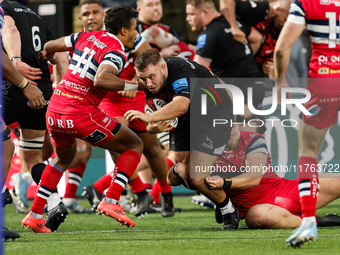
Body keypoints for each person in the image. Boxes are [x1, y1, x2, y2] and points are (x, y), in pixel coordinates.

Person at [21, 5, 146, 233]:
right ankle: (112, 199)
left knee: (62, 159)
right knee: (135, 144)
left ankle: (35, 214)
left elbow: (50, 46)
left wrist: (48, 55)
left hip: (55, 110)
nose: (137, 35)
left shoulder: (84, 36)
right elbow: (102, 80)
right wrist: (137, 85)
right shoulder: (116, 51)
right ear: (125, 30)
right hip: (79, 112)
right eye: (135, 30)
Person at [79, 0, 176, 218]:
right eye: (87, 14)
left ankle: (165, 195)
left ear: (104, 17)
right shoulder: (83, 39)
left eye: (96, 13)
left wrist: (134, 77)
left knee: (151, 148)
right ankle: (141, 193)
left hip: (134, 96)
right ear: (81, 19)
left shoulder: (126, 34)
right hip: (108, 99)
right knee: (116, 143)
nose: (92, 17)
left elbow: (149, 56)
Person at [124, 49, 236, 230]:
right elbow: (153, 117)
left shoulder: (181, 72)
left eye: (151, 77)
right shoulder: (151, 80)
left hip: (213, 117)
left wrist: (150, 120)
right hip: (186, 120)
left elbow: (181, 105)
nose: (148, 83)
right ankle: (216, 191)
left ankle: (229, 208)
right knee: (175, 178)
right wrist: (152, 126)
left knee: (196, 177)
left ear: (163, 67)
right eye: (143, 79)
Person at [171, 124, 340, 229]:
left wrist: (224, 182)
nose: (232, 131)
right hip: (255, 209)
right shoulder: (206, 148)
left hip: (284, 190)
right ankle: (321, 221)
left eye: (234, 126)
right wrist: (178, 169)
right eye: (225, 129)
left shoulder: (253, 139)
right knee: (258, 218)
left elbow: (254, 177)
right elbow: (171, 180)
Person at [274, 0, 340, 248]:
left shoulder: (305, 3)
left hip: (324, 83)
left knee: (308, 152)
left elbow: (282, 49)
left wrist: (279, 81)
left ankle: (309, 220)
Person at [1, 0, 69, 231]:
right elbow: (60, 55)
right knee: (32, 157)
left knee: (4, 144)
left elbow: (9, 29)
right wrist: (61, 90)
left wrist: (15, 59)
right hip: (43, 91)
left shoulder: (4, 8)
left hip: (13, 85)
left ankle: (4, 194)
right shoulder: (37, 17)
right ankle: (54, 202)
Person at [186, 0, 265, 134]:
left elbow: (198, 71)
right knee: (257, 145)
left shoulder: (208, 34)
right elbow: (257, 38)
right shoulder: (234, 22)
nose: (188, 18)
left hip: (237, 93)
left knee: (244, 148)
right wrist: (241, 56)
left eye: (191, 14)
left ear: (204, 12)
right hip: (255, 85)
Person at [219, 0, 293, 77]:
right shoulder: (261, 10)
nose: (284, 24)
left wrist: (266, 67)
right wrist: (234, 27)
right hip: (227, 64)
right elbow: (226, 1)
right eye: (285, 19)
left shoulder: (278, 29)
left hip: (251, 75)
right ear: (278, 9)